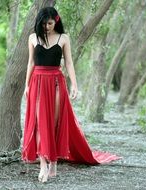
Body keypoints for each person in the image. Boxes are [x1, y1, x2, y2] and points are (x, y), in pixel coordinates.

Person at [22, 7, 120, 183]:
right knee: (39, 123)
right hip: (37, 81)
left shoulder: (63, 38)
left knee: (54, 122)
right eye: (44, 23)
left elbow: (68, 62)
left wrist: (75, 85)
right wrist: (26, 85)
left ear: (56, 21)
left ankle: (53, 161)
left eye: (50, 23)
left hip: (56, 82)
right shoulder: (32, 37)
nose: (46, 27)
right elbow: (30, 63)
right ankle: (43, 163)